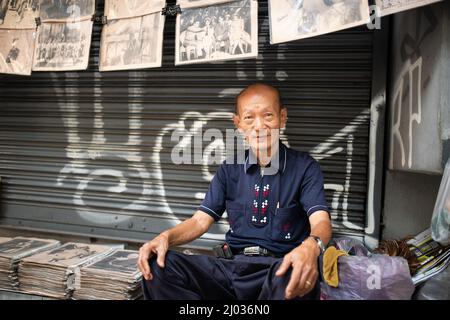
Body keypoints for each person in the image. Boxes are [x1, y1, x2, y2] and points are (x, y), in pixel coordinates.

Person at [138, 83, 332, 300]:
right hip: (231, 269)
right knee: (158, 266)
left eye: (268, 115)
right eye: (249, 118)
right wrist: (165, 237)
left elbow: (321, 222)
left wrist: (311, 247)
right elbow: (200, 221)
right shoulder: (229, 169)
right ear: (238, 123)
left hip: (278, 269)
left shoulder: (305, 167)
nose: (259, 126)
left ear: (282, 117)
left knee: (296, 275)